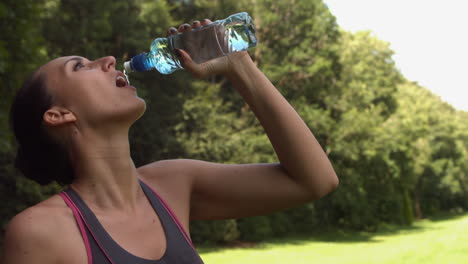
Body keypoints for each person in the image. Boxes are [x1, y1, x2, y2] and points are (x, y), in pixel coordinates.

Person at [2, 19, 338, 264]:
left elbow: (314, 181)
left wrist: (239, 67)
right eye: (79, 67)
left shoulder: (173, 184)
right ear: (59, 115)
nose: (107, 61)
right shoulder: (38, 233)